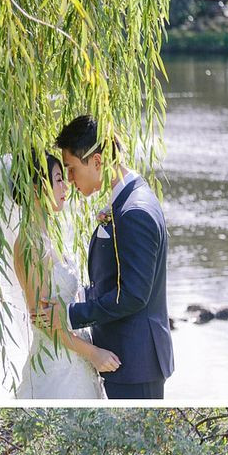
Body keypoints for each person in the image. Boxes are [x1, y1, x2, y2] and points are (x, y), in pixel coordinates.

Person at [55, 115, 174, 400]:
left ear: (96, 161)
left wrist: (70, 315)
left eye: (71, 168)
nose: (69, 179)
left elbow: (133, 294)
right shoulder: (127, 201)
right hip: (125, 358)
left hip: (135, 362)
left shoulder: (135, 212)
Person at [11, 150, 120, 399]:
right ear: (37, 187)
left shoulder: (49, 236)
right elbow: (42, 320)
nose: (66, 186)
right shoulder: (30, 244)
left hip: (75, 354)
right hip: (57, 361)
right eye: (58, 179)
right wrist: (93, 353)